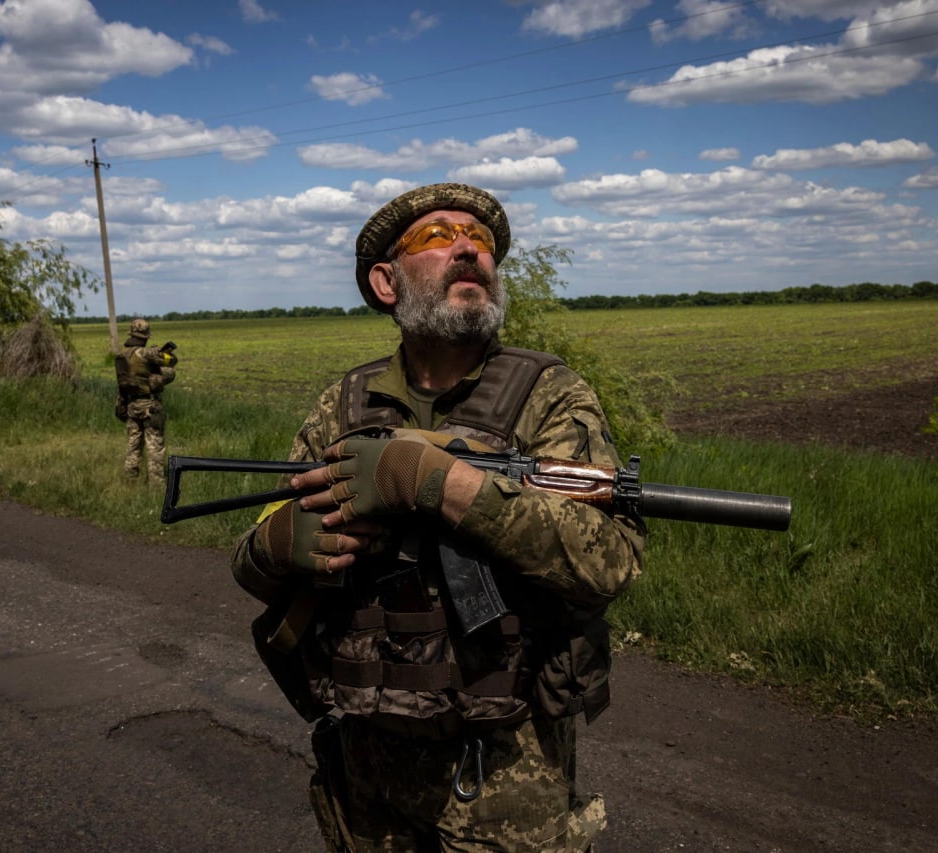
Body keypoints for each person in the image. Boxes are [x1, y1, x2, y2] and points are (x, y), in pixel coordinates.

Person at [229, 183, 644, 852]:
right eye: (438, 236)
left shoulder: (548, 395)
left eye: (480, 240)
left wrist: (440, 484)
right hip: (366, 766)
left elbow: (610, 561)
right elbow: (253, 562)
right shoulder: (344, 405)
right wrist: (277, 545)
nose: (467, 249)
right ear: (386, 281)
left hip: (504, 773)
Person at [114, 318, 177, 483]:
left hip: (131, 404)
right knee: (155, 445)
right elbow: (171, 361)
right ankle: (156, 484)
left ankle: (130, 479)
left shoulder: (121, 355)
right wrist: (163, 353)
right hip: (150, 405)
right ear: (146, 336)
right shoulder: (146, 353)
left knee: (133, 444)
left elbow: (121, 382)